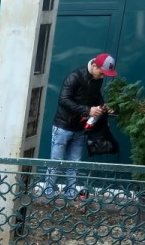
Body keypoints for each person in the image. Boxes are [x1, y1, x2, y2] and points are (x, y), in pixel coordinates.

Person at [44, 52, 117, 200]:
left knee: (74, 163)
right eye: (102, 73)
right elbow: (63, 100)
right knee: (55, 162)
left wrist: (103, 106)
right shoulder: (74, 77)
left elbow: (97, 97)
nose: (103, 77)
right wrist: (88, 110)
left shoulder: (97, 79)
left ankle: (70, 194)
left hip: (79, 128)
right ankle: (48, 193)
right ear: (95, 66)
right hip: (63, 126)